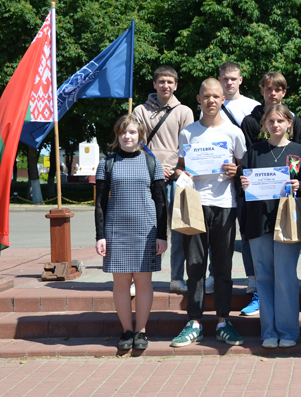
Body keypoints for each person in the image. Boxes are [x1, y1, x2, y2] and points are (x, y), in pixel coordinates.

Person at [171, 78, 246, 347]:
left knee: (223, 267)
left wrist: (236, 172)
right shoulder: (188, 133)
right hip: (195, 204)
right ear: (198, 99)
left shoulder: (234, 133)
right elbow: (180, 167)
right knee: (195, 266)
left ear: (222, 99)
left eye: (216, 96)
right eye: (206, 96)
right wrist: (182, 173)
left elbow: (243, 169)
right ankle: (195, 322)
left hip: (224, 205)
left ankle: (224, 321)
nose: (211, 100)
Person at [241, 104, 301, 349]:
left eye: (280, 121)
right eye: (271, 121)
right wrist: (244, 182)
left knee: (285, 277)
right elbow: (243, 183)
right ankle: (269, 331)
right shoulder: (255, 150)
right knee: (264, 276)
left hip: (288, 221)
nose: (275, 125)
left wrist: (298, 186)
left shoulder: (299, 151)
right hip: (258, 221)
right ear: (264, 125)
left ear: (289, 123)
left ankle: (288, 331)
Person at [95, 115, 167, 350]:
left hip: (146, 231)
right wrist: (100, 235)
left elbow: (160, 202)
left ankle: (141, 331)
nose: (128, 136)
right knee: (121, 282)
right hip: (116, 231)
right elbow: (99, 204)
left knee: (144, 282)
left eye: (133, 132)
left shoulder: (152, 163)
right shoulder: (107, 163)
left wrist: (162, 235)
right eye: (123, 132)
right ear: (117, 136)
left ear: (141, 136)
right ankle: (127, 331)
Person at [133, 66, 194, 295]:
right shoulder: (140, 110)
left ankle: (177, 277)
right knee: (143, 229)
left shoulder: (184, 111)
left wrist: (167, 167)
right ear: (154, 84)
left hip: (174, 177)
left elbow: (186, 145)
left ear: (176, 85)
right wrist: (156, 167)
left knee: (178, 230)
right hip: (147, 176)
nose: (165, 86)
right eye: (161, 82)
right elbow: (137, 142)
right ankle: (137, 277)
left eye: (170, 82)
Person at [216, 62, 261, 304]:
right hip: (218, 177)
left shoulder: (252, 106)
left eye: (233, 79)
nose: (229, 82)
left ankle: (252, 278)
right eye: (225, 78)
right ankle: (214, 275)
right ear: (219, 79)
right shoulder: (210, 106)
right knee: (218, 229)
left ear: (241, 80)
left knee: (247, 231)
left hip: (245, 176)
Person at [240, 72, 301, 151]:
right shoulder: (249, 121)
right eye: (269, 89)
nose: (273, 93)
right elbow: (248, 153)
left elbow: (298, 151)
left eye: (277, 90)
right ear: (262, 91)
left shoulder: (294, 120)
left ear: (284, 93)